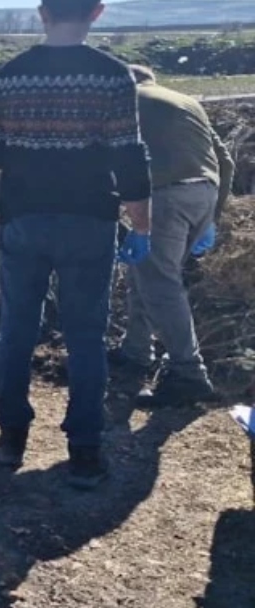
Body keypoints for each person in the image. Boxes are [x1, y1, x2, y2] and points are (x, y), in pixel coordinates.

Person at [0, 0, 152, 490]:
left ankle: (11, 439)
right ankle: (84, 451)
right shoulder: (113, 76)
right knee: (85, 335)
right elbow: (129, 154)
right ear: (96, 14)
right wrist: (140, 225)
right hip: (89, 219)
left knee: (16, 329)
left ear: (42, 13)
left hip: (22, 217)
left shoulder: (9, 76)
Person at [114, 64, 235, 407]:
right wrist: (212, 216)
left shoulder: (125, 100)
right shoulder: (186, 101)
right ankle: (135, 350)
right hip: (204, 193)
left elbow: (112, 156)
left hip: (164, 196)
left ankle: (189, 373)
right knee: (147, 274)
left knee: (162, 285)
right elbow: (224, 161)